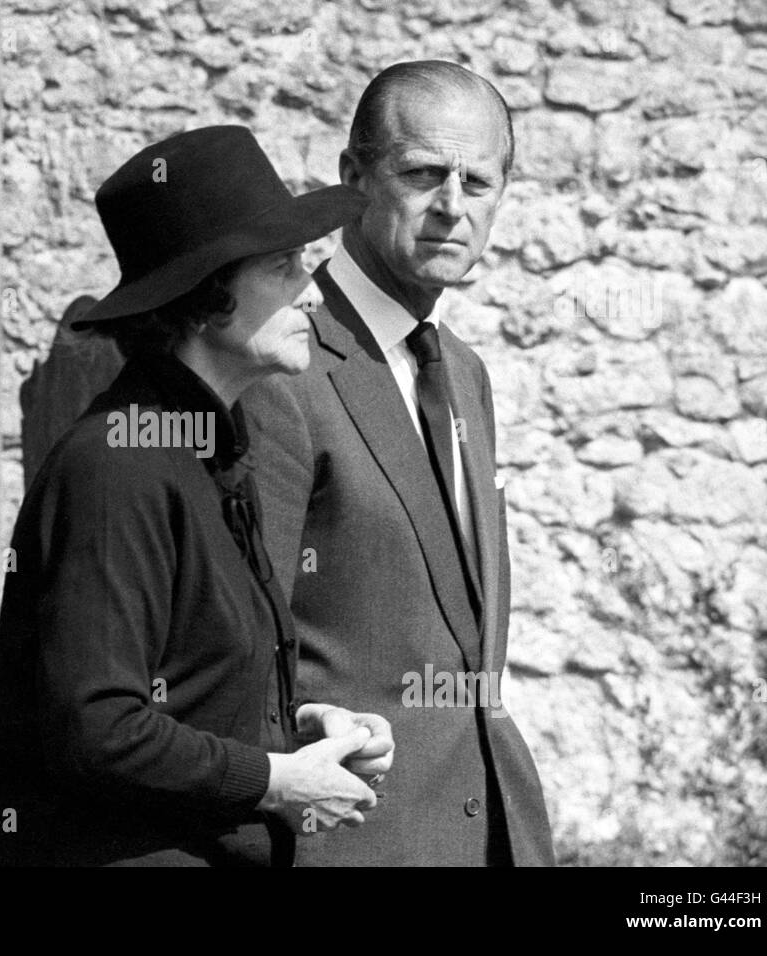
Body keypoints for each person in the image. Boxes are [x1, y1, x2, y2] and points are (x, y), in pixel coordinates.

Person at [0, 125, 394, 867]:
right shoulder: (116, 467)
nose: (312, 290)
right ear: (208, 299)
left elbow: (194, 696)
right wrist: (276, 781)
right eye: (281, 266)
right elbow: (96, 727)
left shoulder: (210, 451)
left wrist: (305, 733)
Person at [242, 61, 556, 866]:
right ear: (353, 179)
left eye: (479, 181)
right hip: (347, 842)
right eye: (422, 173)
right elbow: (237, 649)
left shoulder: (465, 371)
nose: (453, 206)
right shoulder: (282, 362)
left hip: (492, 836)